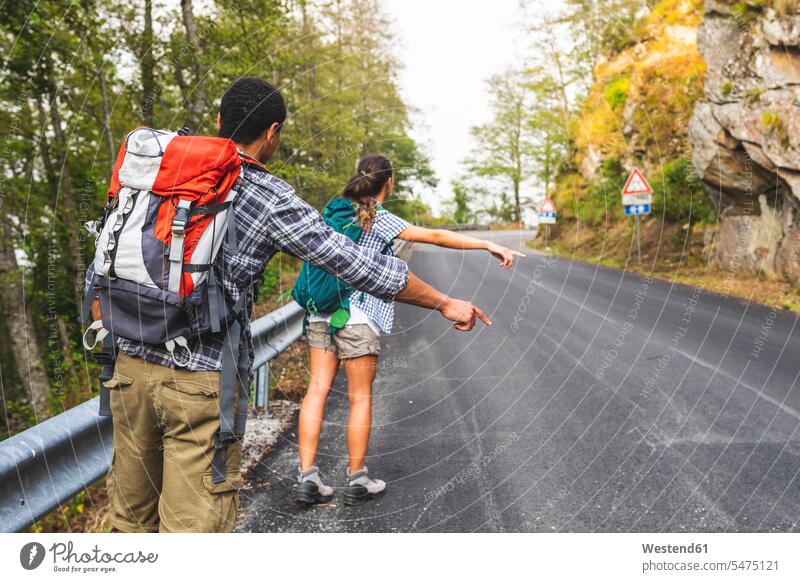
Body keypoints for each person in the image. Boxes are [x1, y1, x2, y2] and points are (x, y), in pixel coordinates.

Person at [88, 78, 489, 533]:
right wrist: (442, 301)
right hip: (199, 381)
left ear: (220, 122)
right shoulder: (269, 195)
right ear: (272, 132)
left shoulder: (158, 173)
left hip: (128, 369)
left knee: (128, 523)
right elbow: (354, 264)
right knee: (191, 529)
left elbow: (103, 261)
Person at [295, 154, 523, 506]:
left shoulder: (333, 210)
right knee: (360, 397)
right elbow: (434, 235)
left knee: (317, 391)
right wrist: (487, 243)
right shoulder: (376, 217)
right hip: (358, 316)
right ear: (389, 182)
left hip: (320, 313)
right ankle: (357, 478)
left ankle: (307, 476)